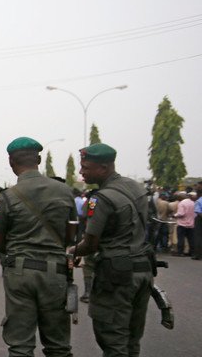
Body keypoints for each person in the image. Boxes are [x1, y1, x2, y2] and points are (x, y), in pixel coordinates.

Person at [0, 137, 77, 357]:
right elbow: (71, 234)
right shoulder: (65, 192)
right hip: (55, 272)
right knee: (58, 346)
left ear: (11, 162)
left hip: (20, 272)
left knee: (20, 346)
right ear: (39, 159)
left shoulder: (6, 198)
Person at [68, 143, 153, 357]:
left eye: (86, 167)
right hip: (143, 269)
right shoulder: (136, 188)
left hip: (117, 276)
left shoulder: (101, 199)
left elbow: (91, 244)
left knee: (112, 338)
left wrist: (72, 251)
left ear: (104, 168)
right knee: (132, 339)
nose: (81, 171)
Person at [173, 192, 195, 257]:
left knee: (181, 238)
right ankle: (192, 252)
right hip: (191, 224)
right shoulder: (193, 202)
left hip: (182, 224)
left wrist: (174, 215)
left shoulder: (181, 203)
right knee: (191, 239)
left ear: (180, 198)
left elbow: (181, 213)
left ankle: (180, 252)